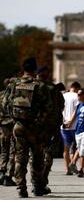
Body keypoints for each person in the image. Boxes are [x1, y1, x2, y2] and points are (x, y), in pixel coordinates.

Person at [2, 57, 52, 197]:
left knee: (20, 157)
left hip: (18, 126)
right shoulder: (40, 85)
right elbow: (48, 108)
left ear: (23, 68)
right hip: (35, 127)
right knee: (37, 158)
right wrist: (41, 123)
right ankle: (36, 187)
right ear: (35, 69)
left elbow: (5, 104)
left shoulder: (14, 84)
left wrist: (15, 119)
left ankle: (21, 188)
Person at [37, 66, 64, 191]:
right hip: (49, 127)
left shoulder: (29, 86)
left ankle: (33, 183)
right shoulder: (53, 89)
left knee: (34, 155)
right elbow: (60, 107)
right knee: (48, 154)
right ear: (47, 75)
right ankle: (42, 181)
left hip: (32, 127)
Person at [61, 81, 81, 175]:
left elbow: (59, 110)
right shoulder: (76, 96)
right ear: (77, 88)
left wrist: (64, 122)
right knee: (78, 146)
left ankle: (67, 170)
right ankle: (72, 163)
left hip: (63, 126)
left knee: (66, 149)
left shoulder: (63, 96)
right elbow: (76, 111)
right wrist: (71, 121)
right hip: (74, 126)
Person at [0, 77, 16, 186]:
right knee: (13, 151)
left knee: (4, 151)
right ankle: (8, 176)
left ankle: (1, 171)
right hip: (13, 125)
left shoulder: (0, 95)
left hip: (3, 126)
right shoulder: (15, 95)